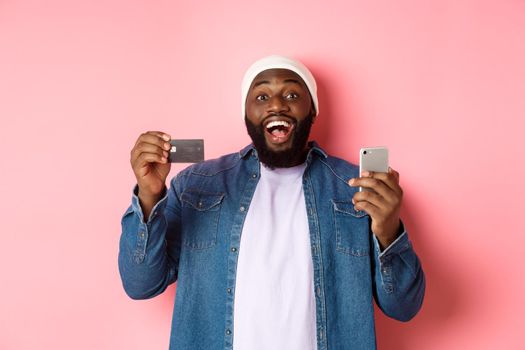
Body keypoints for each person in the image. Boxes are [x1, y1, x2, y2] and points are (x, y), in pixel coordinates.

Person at [119, 55, 425, 350]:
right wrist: (149, 196)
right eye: (262, 97)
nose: (277, 104)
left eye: (292, 94)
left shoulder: (356, 187)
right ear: (246, 113)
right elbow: (141, 284)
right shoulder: (198, 184)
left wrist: (388, 231)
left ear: (313, 110)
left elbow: (404, 307)